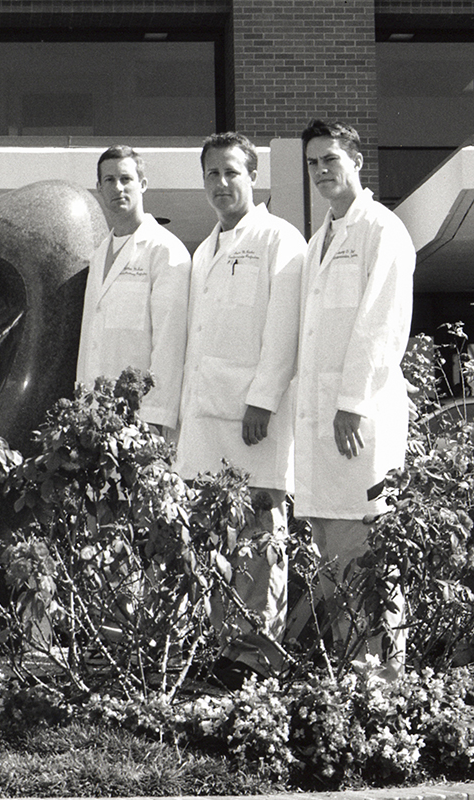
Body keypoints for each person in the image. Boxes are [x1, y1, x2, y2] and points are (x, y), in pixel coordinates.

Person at [174, 132, 305, 684]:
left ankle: (256, 659)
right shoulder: (203, 250)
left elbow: (284, 328)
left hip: (255, 423)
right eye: (212, 173)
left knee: (259, 542)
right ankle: (225, 649)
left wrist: (263, 401)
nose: (222, 183)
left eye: (232, 172)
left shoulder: (280, 238)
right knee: (217, 546)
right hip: (206, 423)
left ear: (253, 176)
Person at [296, 119, 415, 679]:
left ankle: (384, 685)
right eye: (313, 162)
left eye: (331, 160)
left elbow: (382, 324)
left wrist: (351, 402)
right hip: (321, 430)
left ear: (357, 162)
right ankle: (352, 678)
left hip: (357, 423)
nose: (321, 171)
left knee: (368, 558)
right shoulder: (319, 240)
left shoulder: (381, 229)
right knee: (332, 563)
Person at [77, 145, 191, 431]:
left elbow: (170, 342)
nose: (118, 187)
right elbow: (90, 338)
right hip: (95, 415)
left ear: (143, 184)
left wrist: (155, 416)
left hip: (141, 419)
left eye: (126, 179)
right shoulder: (98, 255)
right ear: (99, 188)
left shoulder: (165, 250)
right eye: (109, 180)